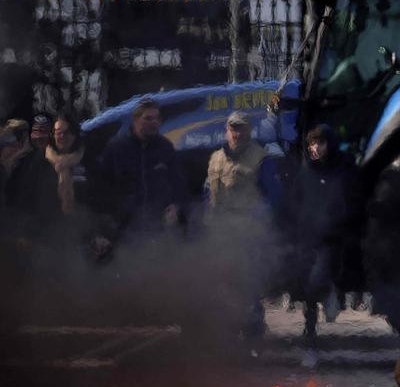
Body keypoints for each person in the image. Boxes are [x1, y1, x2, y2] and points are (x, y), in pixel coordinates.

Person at [283, 124, 358, 344]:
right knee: (305, 282)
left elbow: (354, 201)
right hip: (308, 237)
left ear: (330, 144)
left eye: (320, 143)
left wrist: (340, 223)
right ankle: (310, 328)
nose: (315, 148)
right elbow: (295, 201)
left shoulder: (345, 169)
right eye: (312, 144)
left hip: (332, 239)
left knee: (317, 280)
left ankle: (331, 294)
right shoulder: (306, 172)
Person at [205, 111, 274, 338]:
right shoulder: (215, 158)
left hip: (247, 233)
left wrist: (263, 226)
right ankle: (229, 336)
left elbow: (273, 198)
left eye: (241, 128)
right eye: (233, 128)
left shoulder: (261, 158)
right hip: (219, 233)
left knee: (248, 287)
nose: (237, 133)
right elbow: (206, 193)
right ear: (227, 130)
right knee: (223, 285)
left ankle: (253, 339)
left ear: (249, 130)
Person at [96, 97, 187, 243]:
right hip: (124, 230)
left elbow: (178, 182)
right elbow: (102, 190)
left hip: (158, 230)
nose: (154, 123)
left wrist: (175, 205)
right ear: (135, 120)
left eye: (157, 118)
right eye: (148, 118)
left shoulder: (165, 147)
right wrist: (104, 228)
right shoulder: (116, 148)